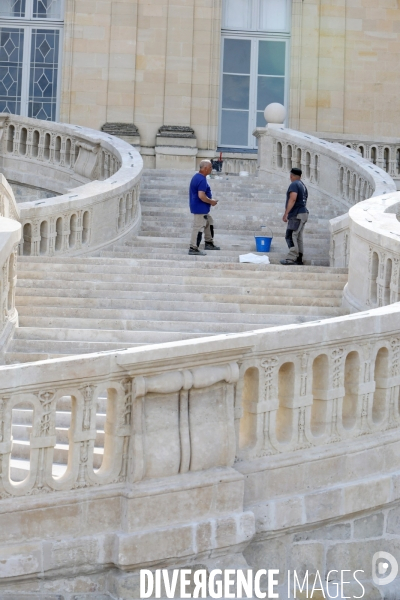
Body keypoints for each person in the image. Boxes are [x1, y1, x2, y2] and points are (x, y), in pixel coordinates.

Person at [188, 160, 220, 255]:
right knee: (198, 227)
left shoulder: (198, 177)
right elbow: (201, 195)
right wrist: (211, 202)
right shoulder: (201, 179)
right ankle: (193, 248)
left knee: (209, 222)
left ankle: (209, 243)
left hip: (202, 208)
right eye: (210, 167)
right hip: (200, 208)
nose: (211, 169)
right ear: (205, 168)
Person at [280, 167, 309, 265]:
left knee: (290, 235)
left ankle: (291, 258)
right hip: (303, 213)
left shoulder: (294, 184)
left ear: (291, 175)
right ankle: (299, 258)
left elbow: (293, 199)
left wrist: (286, 213)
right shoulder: (303, 185)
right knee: (298, 236)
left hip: (297, 214)